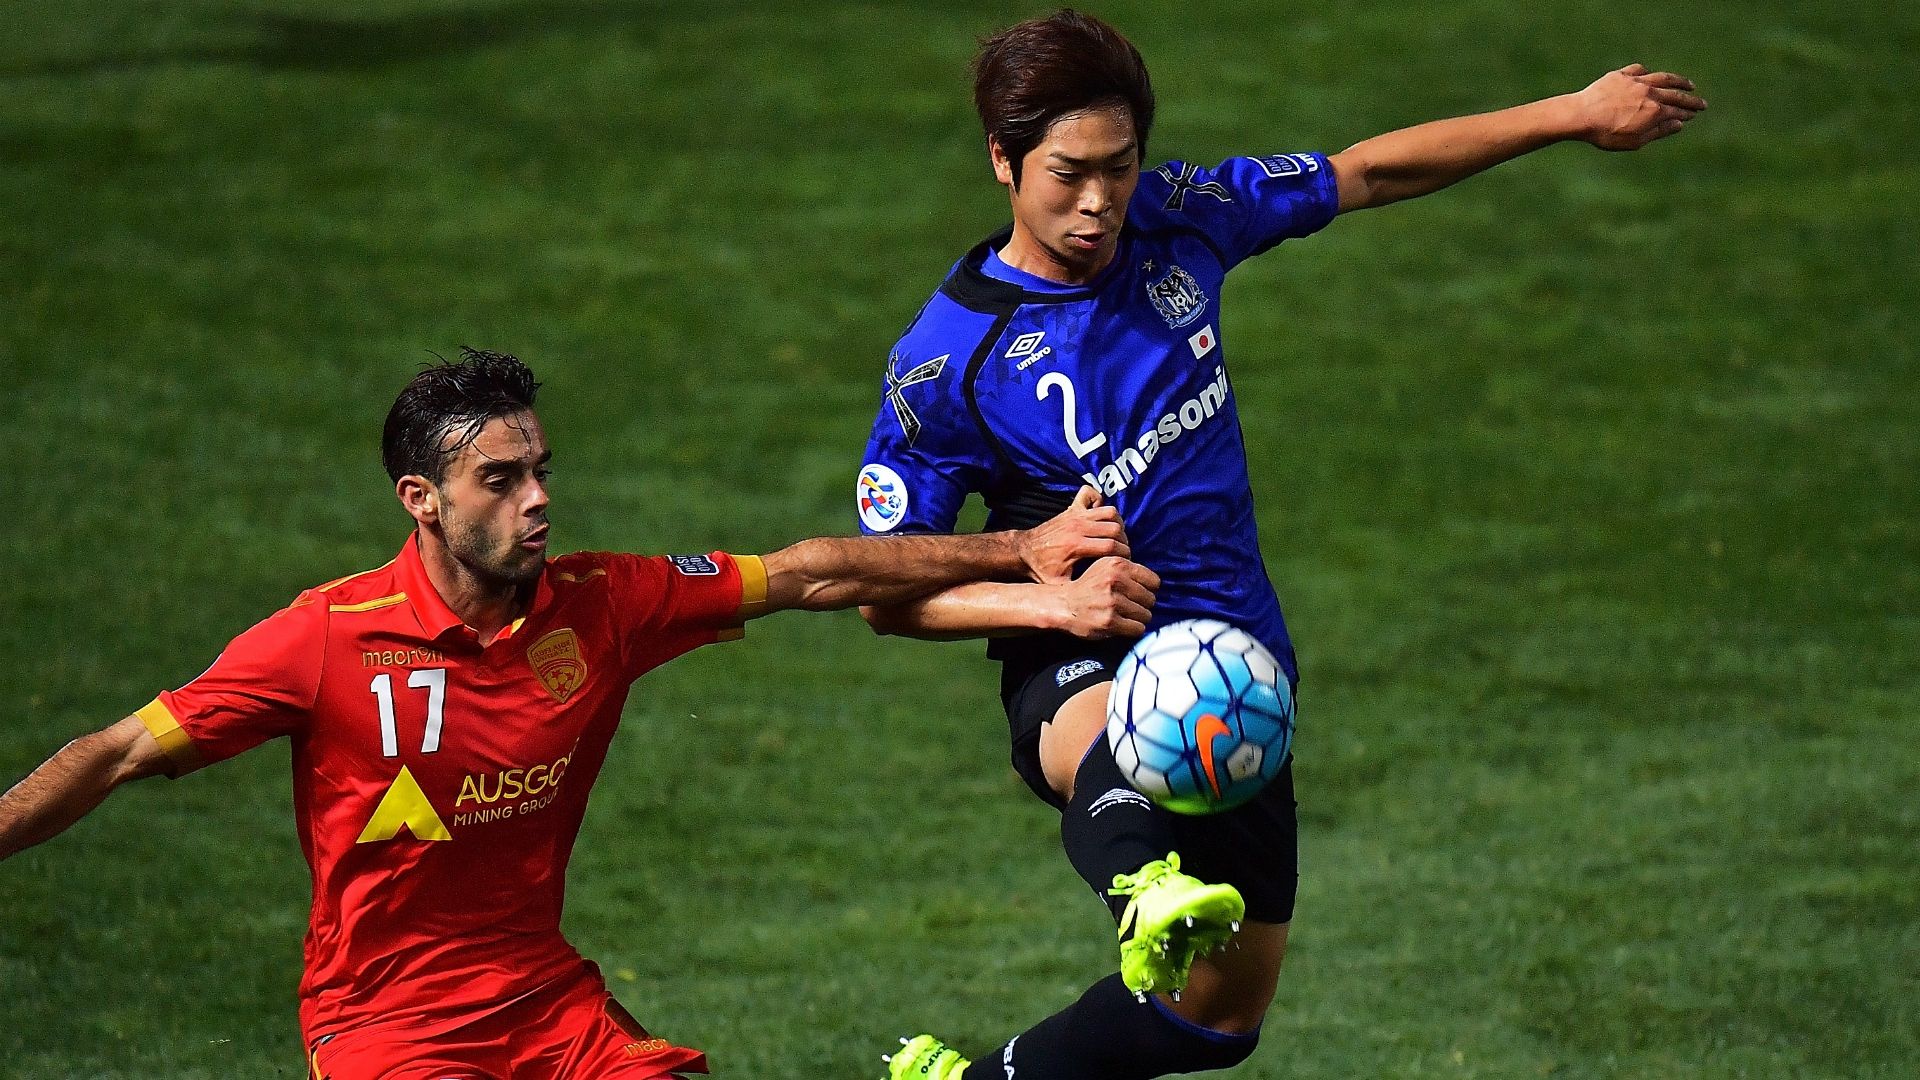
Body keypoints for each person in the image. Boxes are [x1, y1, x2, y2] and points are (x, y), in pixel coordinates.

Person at [856, 10, 1706, 1079]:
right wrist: (1041, 593)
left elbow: (1366, 174)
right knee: (1114, 731)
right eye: (1069, 173)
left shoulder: (1180, 223)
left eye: (1120, 168)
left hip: (1243, 674)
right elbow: (883, 592)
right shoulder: (949, 361)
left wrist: (1572, 113)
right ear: (1002, 160)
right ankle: (1141, 884)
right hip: (1079, 648)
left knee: (1214, 1024)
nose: (1098, 201)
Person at [0, 348, 1158, 1080]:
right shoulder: (323, 640)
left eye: (540, 469)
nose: (538, 498)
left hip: (545, 1003)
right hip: (385, 1032)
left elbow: (809, 573)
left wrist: (1021, 547)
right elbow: (111, 753)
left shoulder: (602, 602)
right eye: (499, 480)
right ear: (422, 501)